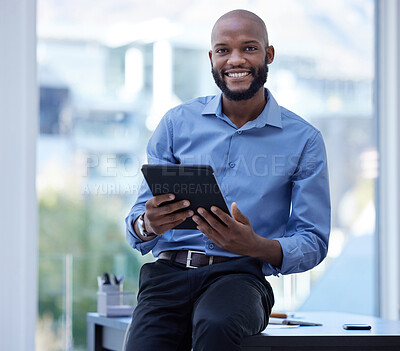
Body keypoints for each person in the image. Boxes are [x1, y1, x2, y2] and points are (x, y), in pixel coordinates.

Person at [124, 9, 330, 351]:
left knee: (216, 324)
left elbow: (313, 240)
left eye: (249, 48)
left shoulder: (304, 140)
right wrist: (149, 224)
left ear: (269, 54)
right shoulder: (176, 124)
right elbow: (135, 226)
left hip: (239, 278)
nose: (235, 59)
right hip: (168, 276)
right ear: (211, 58)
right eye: (223, 50)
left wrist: (255, 245)